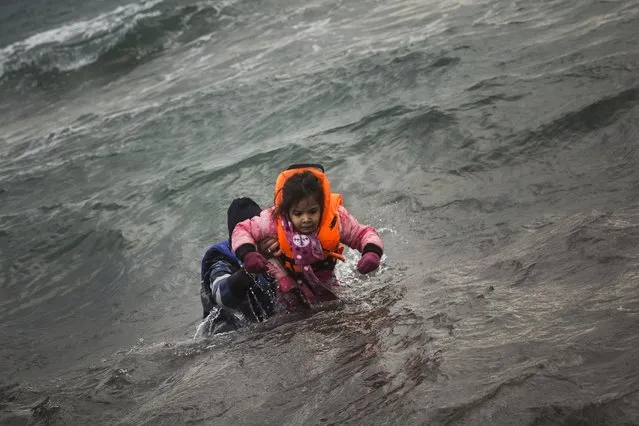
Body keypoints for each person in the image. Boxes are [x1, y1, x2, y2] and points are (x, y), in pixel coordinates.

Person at [231, 164, 383, 304]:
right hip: (286, 280)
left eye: (312, 211)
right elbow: (242, 230)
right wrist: (248, 254)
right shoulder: (273, 220)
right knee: (291, 307)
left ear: (322, 206)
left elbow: (363, 233)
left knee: (333, 305)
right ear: (286, 211)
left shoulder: (336, 218)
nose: (306, 219)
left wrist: (371, 253)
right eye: (298, 213)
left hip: (324, 278)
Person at [199, 197, 281, 334]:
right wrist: (251, 268)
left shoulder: (273, 246)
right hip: (225, 338)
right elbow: (221, 296)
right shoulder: (220, 259)